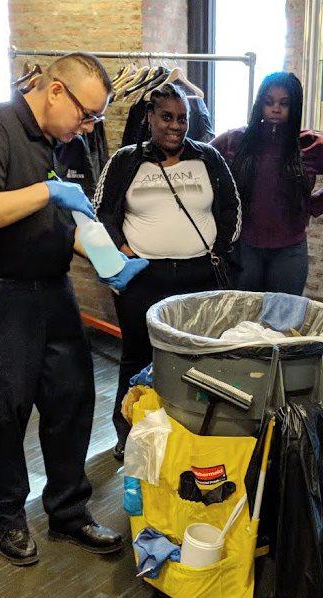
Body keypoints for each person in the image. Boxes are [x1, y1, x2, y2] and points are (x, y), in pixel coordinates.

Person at [0, 52, 129, 566]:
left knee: (72, 401)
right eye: (86, 113)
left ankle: (69, 511)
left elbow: (60, 223)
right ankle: (8, 518)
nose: (88, 125)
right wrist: (45, 190)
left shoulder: (63, 141)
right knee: (6, 410)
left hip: (54, 292)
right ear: (55, 91)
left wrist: (108, 260)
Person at [93, 82, 241, 461]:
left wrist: (218, 251)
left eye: (183, 118)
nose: (176, 126)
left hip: (199, 280)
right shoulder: (125, 160)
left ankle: (191, 431)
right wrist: (122, 255)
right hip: (144, 279)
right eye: (167, 117)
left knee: (197, 359)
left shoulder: (208, 158)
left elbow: (231, 210)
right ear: (150, 118)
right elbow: (103, 214)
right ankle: (129, 433)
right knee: (137, 357)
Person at [212, 71, 323, 295]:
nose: (275, 109)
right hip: (245, 247)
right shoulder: (237, 140)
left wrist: (312, 205)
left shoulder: (310, 144)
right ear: (260, 104)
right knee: (243, 318)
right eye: (269, 102)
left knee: (283, 321)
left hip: (289, 252)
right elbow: (203, 160)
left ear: (295, 106)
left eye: (284, 103)